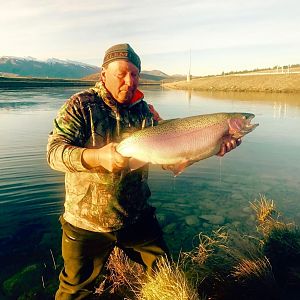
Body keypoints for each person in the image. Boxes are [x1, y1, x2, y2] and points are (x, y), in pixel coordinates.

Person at [47, 43, 241, 299]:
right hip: (85, 224)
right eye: (122, 74)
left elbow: (171, 160)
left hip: (136, 217)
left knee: (166, 276)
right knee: (74, 292)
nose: (130, 81)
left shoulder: (145, 112)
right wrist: (96, 156)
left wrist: (211, 147)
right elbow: (53, 154)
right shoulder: (79, 106)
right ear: (103, 75)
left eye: (135, 74)